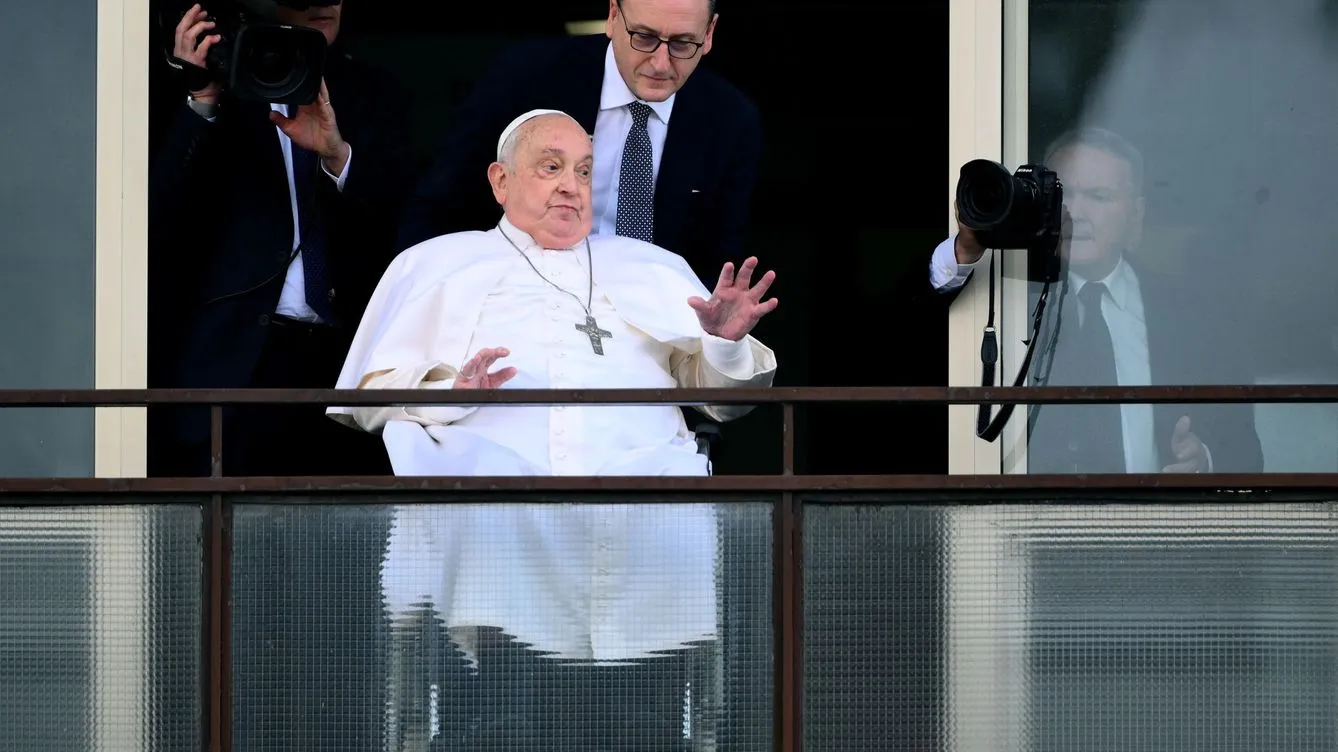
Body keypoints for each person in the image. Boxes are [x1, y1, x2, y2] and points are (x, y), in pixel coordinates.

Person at [328, 109, 777, 749]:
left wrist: (724, 345)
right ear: (500, 181)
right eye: (551, 167)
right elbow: (367, 399)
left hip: (637, 495)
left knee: (640, 718)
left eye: (585, 171)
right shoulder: (439, 263)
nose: (572, 184)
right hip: (497, 508)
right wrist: (450, 391)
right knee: (510, 712)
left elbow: (723, 403)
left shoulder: (649, 265)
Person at [146, 4, 416, 750]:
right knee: (214, 597)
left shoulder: (375, 91)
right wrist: (199, 95)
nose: (310, 27)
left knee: (340, 592)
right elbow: (150, 227)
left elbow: (411, 233)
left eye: (325, 14)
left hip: (339, 373)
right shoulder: (219, 83)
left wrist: (338, 155)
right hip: (230, 368)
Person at [923, 127, 1262, 473]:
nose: (1077, 213)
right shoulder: (1004, 294)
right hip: (1022, 522)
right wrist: (965, 248)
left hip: (1154, 523)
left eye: (1099, 197)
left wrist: (1203, 461)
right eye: (1064, 195)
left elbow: (1245, 448)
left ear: (1136, 214)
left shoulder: (1191, 314)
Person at [395, 0, 761, 282]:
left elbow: (718, 265)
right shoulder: (528, 76)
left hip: (650, 327)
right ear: (613, 16)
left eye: (683, 44)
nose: (661, 63)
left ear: (709, 34)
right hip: (516, 298)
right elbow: (443, 204)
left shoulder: (730, 120)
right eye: (644, 38)